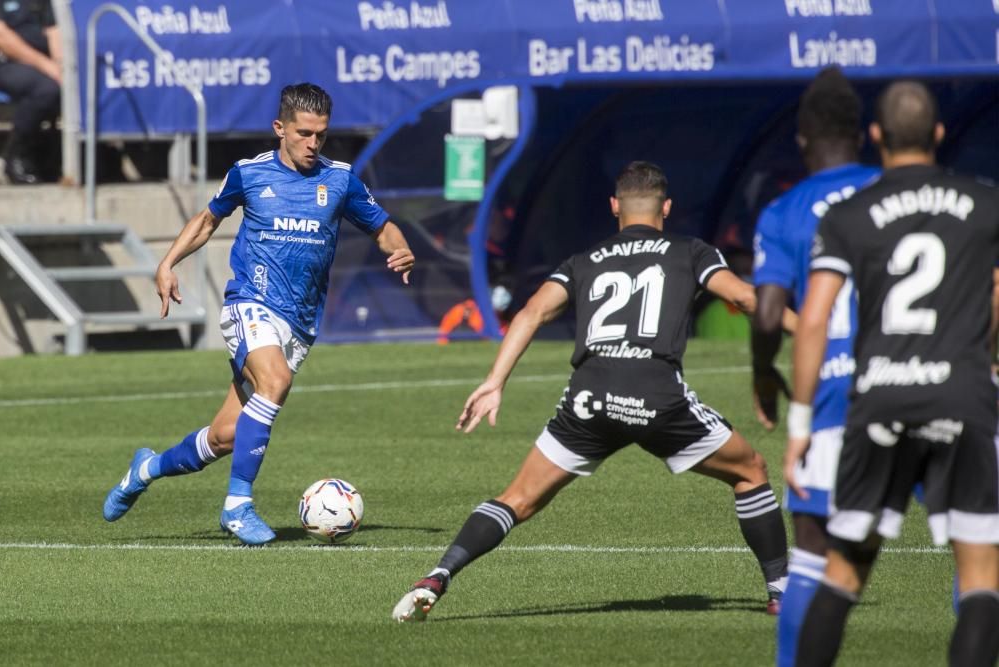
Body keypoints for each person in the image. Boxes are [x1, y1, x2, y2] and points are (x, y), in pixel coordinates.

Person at [393, 161, 791, 622]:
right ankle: (780, 590)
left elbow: (529, 314)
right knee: (750, 469)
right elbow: (745, 299)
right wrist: (811, 331)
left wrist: (494, 382)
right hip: (656, 395)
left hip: (588, 398)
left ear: (614, 207)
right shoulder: (691, 251)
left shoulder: (584, 260)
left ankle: (439, 575)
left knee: (517, 499)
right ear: (666, 207)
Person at [101, 83, 415, 546]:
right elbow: (208, 220)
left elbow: (382, 226)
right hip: (250, 303)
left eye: (321, 135)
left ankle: (145, 468)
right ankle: (237, 505)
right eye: (304, 133)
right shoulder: (249, 174)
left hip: (299, 325)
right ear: (280, 129)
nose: (313, 144)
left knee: (227, 437)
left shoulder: (341, 180)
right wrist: (168, 263)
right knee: (275, 382)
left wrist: (402, 248)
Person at [785, 81, 999, 666]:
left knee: (844, 573)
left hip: (879, 399)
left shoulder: (849, 214)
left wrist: (800, 424)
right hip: (962, 394)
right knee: (981, 576)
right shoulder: (985, 204)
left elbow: (813, 319)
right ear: (938, 134)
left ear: (876, 137)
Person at [750, 67, 880, 667]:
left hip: (836, 395)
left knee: (811, 550)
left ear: (801, 138)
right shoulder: (901, 191)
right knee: (980, 550)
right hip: (935, 386)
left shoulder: (785, 211)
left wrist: (763, 374)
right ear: (865, 134)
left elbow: (769, 311)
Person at [0, 0, 61, 184]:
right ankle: (15, 156)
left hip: (43, 65)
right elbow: (3, 37)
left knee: (74, 85)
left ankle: (51, 157)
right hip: (7, 62)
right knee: (46, 89)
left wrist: (61, 67)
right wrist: (48, 66)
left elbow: (54, 31)